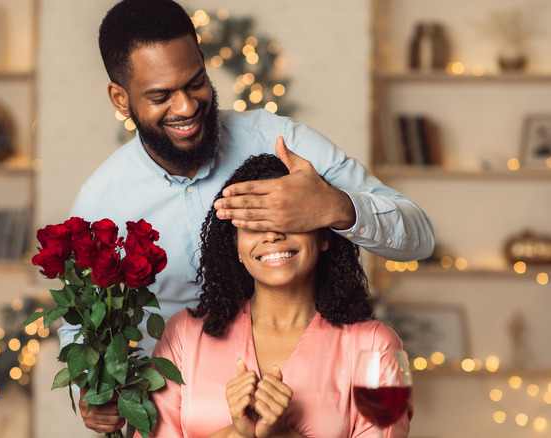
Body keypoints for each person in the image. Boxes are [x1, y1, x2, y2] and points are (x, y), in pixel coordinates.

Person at [65, 0, 432, 433]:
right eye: (161, 96)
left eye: (195, 82)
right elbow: (82, 330)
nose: (185, 107)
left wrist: (333, 205)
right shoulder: (100, 206)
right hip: (172, 412)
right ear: (120, 98)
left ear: (203, 61)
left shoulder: (281, 142)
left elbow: (418, 237)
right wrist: (89, 395)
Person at [147, 154, 412, 437]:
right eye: (253, 222)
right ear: (235, 246)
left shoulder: (377, 345)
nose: (271, 234)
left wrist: (283, 435)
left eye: (288, 217)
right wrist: (237, 434)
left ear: (324, 237)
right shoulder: (183, 335)